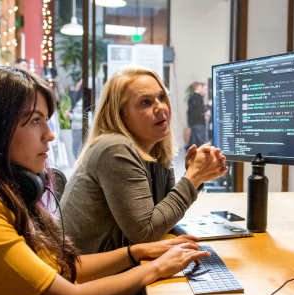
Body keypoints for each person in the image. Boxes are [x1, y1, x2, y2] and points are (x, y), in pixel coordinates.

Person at [0, 65, 210, 295]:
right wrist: (157, 267)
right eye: (35, 120)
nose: (50, 134)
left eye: (46, 119)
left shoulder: (2, 197)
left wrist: (137, 252)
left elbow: (63, 267)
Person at [60, 65, 228, 255]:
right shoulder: (115, 149)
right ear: (120, 114)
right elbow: (147, 233)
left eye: (161, 97)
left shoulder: (153, 147)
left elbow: (164, 219)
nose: (160, 107)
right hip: (86, 277)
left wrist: (194, 175)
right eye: (146, 102)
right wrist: (193, 178)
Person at [187, 81, 208, 149]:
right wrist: (208, 106)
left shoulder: (191, 98)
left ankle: (190, 158)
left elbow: (189, 112)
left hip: (193, 124)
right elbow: (201, 110)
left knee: (193, 143)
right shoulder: (198, 97)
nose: (205, 90)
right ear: (199, 87)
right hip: (199, 123)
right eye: (204, 88)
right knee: (202, 143)